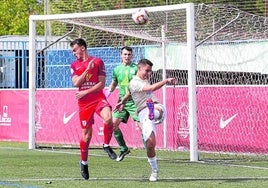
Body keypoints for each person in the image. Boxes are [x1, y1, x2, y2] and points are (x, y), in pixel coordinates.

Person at [70, 38, 117, 180]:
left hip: (97, 98)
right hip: (84, 104)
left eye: (75, 50)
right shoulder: (74, 65)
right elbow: (76, 83)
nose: (73, 53)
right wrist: (86, 71)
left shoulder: (98, 61)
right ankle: (84, 162)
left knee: (109, 118)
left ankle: (106, 144)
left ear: (82, 48)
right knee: (87, 136)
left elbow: (102, 84)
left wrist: (85, 92)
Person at [129, 58, 176, 182]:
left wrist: (122, 102)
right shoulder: (134, 82)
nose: (149, 73)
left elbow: (129, 93)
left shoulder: (144, 79)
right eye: (147, 71)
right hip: (143, 111)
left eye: (150, 71)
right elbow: (149, 89)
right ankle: (154, 171)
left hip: (155, 106)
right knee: (150, 144)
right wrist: (165, 80)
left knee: (158, 111)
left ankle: (153, 112)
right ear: (139, 69)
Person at [106, 46, 139, 161]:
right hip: (121, 102)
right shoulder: (117, 69)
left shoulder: (136, 68)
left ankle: (151, 154)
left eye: (129, 54)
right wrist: (107, 95)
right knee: (113, 125)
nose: (127, 56)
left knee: (141, 127)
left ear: (132, 56)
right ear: (121, 55)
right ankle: (124, 148)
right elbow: (114, 83)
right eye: (125, 54)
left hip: (135, 101)